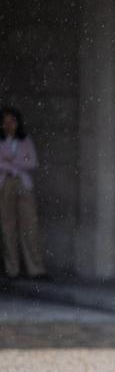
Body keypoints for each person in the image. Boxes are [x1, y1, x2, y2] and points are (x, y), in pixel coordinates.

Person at [0, 106, 47, 280]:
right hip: (5, 183)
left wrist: (10, 161)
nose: (8, 125)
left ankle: (36, 268)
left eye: (12, 121)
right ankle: (12, 268)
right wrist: (16, 162)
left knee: (30, 225)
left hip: (23, 183)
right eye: (5, 121)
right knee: (8, 226)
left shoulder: (25, 140)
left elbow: (33, 162)